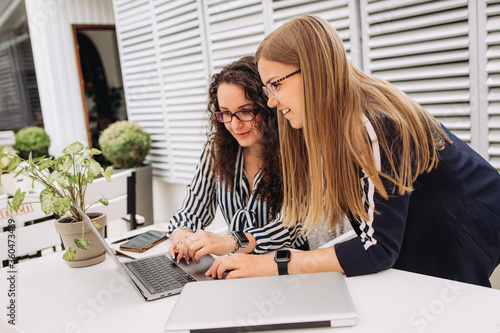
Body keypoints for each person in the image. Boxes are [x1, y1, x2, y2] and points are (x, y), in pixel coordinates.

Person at [206, 15, 500, 287]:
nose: (271, 102)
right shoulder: (328, 122)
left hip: (464, 225)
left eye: (275, 85)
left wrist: (273, 264)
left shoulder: (375, 124)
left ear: (313, 71)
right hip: (423, 231)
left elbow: (378, 248)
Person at [165, 56, 308, 264]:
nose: (234, 125)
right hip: (237, 266)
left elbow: (290, 228)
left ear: (268, 105)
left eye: (246, 111)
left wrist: (231, 241)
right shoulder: (217, 150)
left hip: (288, 266)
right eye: (226, 113)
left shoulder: (294, 149)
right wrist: (182, 237)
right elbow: (191, 211)